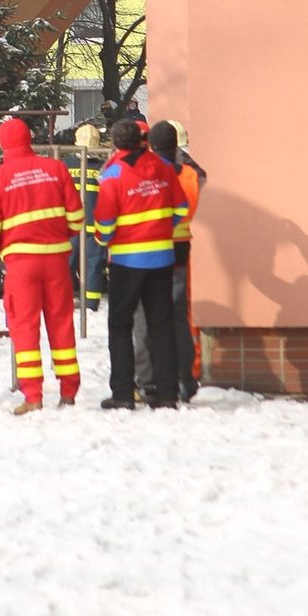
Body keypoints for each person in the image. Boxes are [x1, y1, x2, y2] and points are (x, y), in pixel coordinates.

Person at [0, 117, 83, 414]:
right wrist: (58, 235)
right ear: (30, 139)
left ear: (2, 145)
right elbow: (76, 218)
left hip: (21, 264)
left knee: (24, 326)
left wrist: (4, 249)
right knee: (61, 322)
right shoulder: (56, 169)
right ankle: (69, 391)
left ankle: (33, 395)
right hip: (58, 260)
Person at [94, 118, 187, 410]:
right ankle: (168, 393)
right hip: (162, 257)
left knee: (120, 325)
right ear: (141, 141)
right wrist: (161, 230)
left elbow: (105, 223)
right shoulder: (163, 167)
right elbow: (181, 208)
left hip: (127, 260)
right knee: (162, 324)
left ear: (116, 144)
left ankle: (123, 392)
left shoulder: (113, 173)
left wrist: (104, 240)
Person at [151, 119, 204, 401]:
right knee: (180, 316)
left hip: (152, 249)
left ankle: (158, 378)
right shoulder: (190, 175)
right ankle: (187, 376)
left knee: (153, 316)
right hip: (181, 248)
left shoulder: (151, 172)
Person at [65, 123, 107, 311]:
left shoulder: (65, 164)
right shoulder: (103, 167)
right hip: (95, 227)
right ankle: (91, 305)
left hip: (71, 227)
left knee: (65, 265)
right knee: (93, 266)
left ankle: (63, 300)